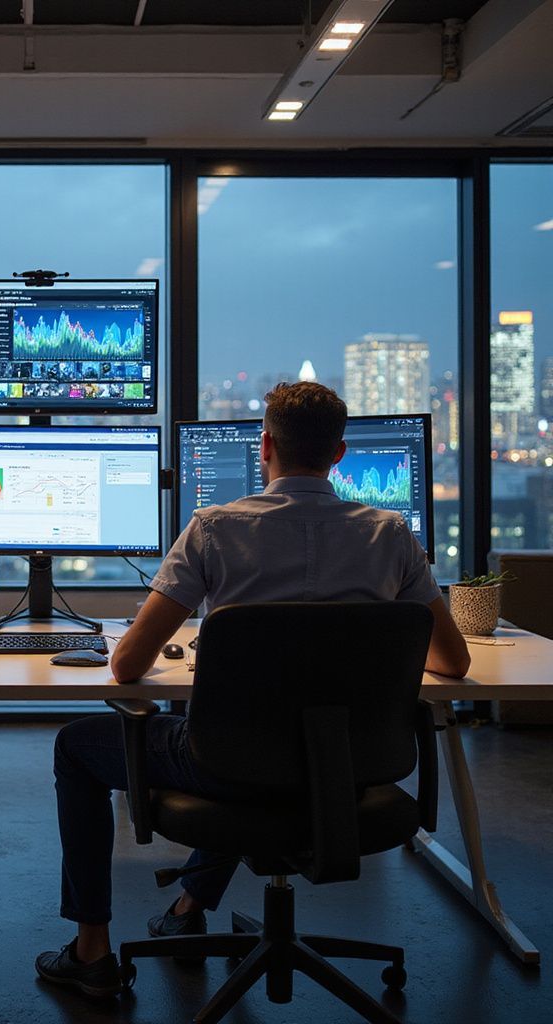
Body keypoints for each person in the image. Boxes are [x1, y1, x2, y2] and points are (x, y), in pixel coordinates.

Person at [35, 381, 470, 998]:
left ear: (264, 445)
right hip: (353, 765)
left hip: (232, 764)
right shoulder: (391, 534)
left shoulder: (215, 529)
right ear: (340, 453)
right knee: (255, 742)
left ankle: (91, 951)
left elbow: (128, 666)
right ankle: (189, 907)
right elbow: (453, 662)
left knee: (82, 747)